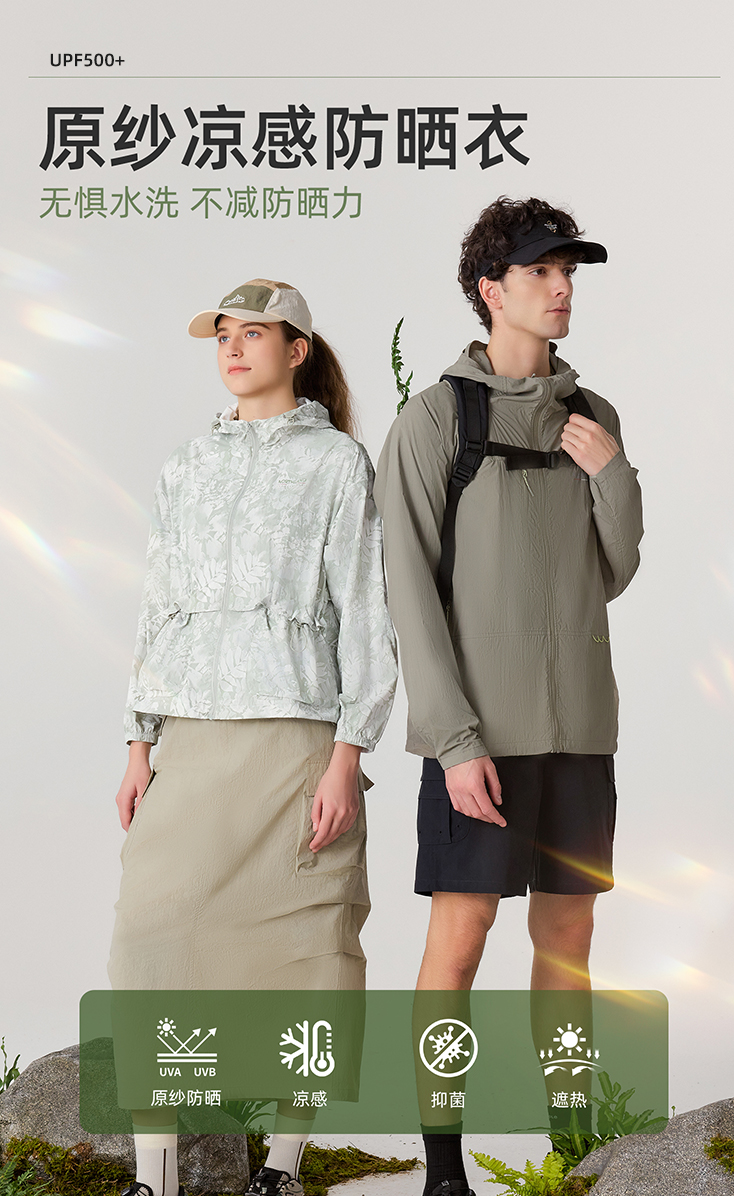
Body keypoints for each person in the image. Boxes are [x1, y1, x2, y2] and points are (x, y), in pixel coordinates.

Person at [374, 197, 643, 1196]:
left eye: (569, 270)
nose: (562, 287)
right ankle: (444, 1165)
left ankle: (572, 1147)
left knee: (568, 945)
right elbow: (408, 590)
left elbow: (610, 572)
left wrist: (615, 476)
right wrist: (452, 741)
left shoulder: (593, 416)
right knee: (459, 944)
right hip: (477, 741)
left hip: (580, 734)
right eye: (541, 270)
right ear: (491, 289)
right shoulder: (434, 420)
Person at [108, 278, 397, 1196]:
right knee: (150, 936)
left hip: (295, 737)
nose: (233, 348)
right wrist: (138, 741)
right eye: (223, 335)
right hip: (191, 733)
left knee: (304, 946)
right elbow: (158, 603)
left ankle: (280, 1167)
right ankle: (155, 1179)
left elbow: (365, 610)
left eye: (254, 333)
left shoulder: (338, 463)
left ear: (297, 349)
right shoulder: (186, 465)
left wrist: (349, 754)